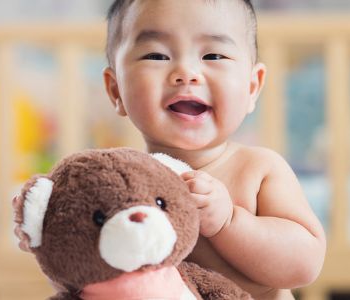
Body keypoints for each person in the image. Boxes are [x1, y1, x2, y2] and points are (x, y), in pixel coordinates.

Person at [17, 1, 326, 299]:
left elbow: (304, 265)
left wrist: (229, 222)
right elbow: (90, 267)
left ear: (251, 86)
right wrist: (48, 231)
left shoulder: (259, 169)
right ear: (116, 90)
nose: (186, 72)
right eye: (157, 55)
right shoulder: (119, 181)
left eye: (214, 55)